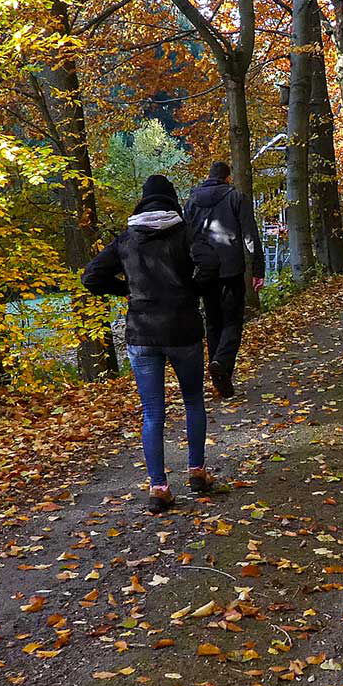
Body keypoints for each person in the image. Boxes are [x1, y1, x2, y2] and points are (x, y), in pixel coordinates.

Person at [82, 175, 222, 512]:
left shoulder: (127, 239)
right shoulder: (186, 231)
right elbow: (212, 263)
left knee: (153, 413)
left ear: (143, 202)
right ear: (172, 199)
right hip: (183, 330)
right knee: (192, 400)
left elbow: (91, 276)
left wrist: (125, 291)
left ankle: (158, 487)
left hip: (142, 334)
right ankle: (197, 472)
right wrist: (192, 290)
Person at [184, 160, 264, 397]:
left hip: (203, 270)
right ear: (227, 177)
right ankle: (221, 364)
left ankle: (220, 375)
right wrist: (258, 269)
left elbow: (186, 237)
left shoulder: (192, 201)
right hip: (231, 269)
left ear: (209, 176)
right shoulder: (236, 198)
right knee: (233, 322)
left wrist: (189, 268)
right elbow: (250, 234)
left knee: (212, 322)